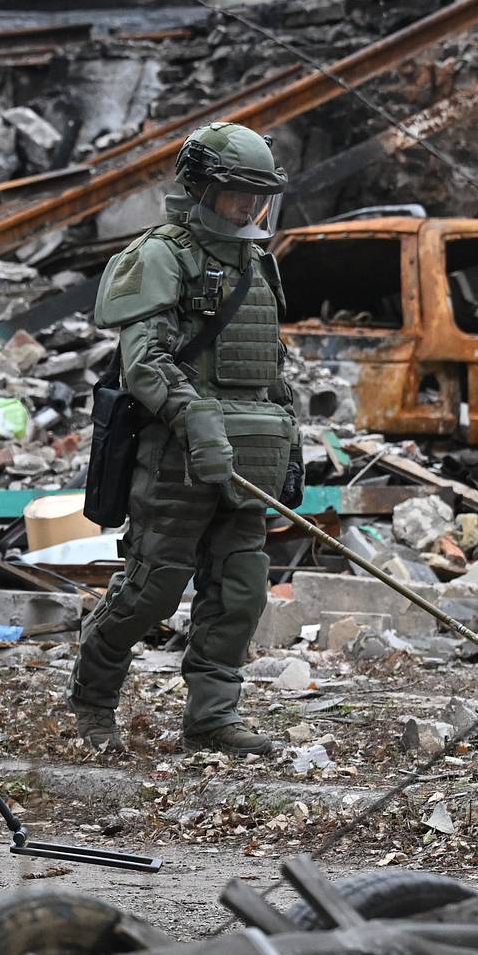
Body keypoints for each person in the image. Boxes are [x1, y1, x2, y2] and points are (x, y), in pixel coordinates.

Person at [68, 122, 304, 757]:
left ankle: (212, 717)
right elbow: (145, 362)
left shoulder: (258, 262)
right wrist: (197, 420)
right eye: (237, 195)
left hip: (250, 454)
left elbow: (270, 367)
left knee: (240, 589)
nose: (250, 209)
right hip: (176, 454)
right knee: (152, 590)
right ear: (200, 188)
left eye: (260, 196)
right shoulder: (161, 256)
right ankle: (92, 698)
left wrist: (292, 444)